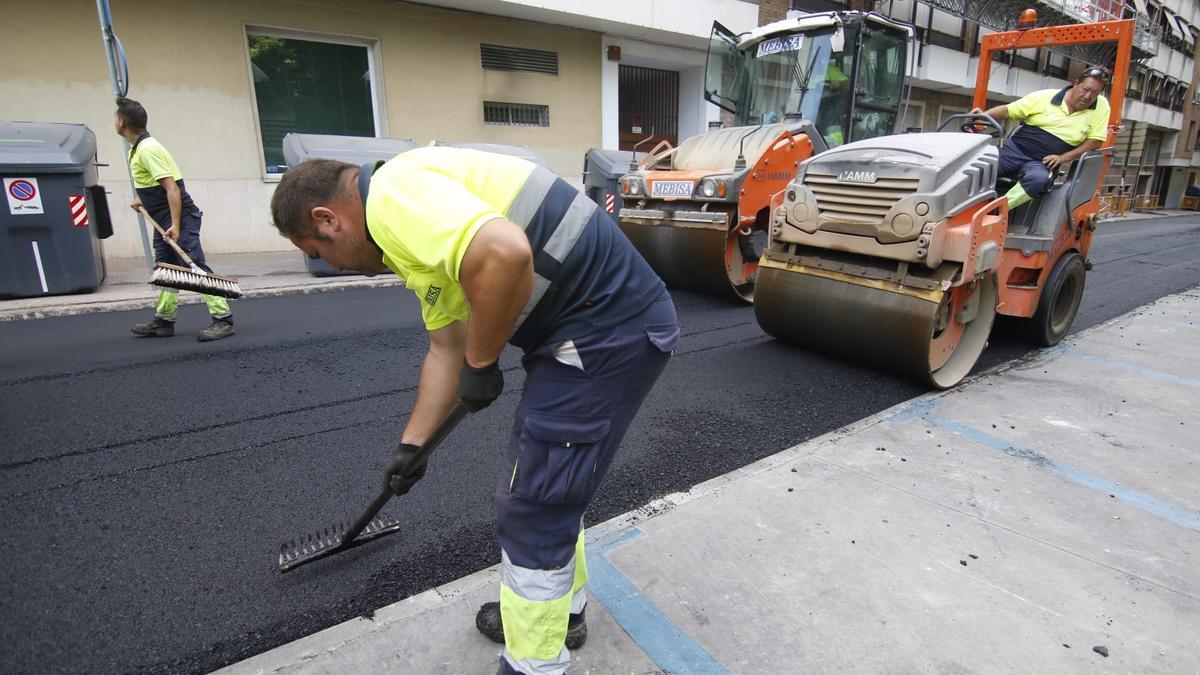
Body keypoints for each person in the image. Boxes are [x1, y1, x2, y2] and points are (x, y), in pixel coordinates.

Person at [269, 146, 678, 675]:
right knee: (555, 487)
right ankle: (561, 614)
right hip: (595, 330)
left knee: (535, 506)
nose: (335, 265)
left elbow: (504, 253)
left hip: (606, 332)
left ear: (329, 218)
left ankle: (533, 663)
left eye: (320, 251)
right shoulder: (414, 230)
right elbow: (446, 347)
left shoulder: (394, 200)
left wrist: (483, 363)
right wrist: (412, 446)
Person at [115, 97, 234, 341]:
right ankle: (164, 321)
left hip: (178, 218)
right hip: (164, 218)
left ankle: (223, 320)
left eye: (115, 119)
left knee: (195, 266)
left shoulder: (148, 150)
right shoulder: (138, 148)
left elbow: (172, 188)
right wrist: (141, 199)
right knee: (166, 270)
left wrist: (176, 225)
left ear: (122, 122)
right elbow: (154, 183)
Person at [971, 66, 1111, 210]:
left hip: (1042, 162)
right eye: (1085, 90)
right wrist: (984, 117)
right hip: (1014, 151)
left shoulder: (1101, 106)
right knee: (980, 168)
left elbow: (1095, 141)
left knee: (1038, 181)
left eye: (1094, 93)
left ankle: (996, 211)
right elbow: (1008, 111)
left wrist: (1062, 158)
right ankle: (962, 207)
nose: (1088, 97)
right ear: (1076, 83)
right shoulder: (1044, 97)